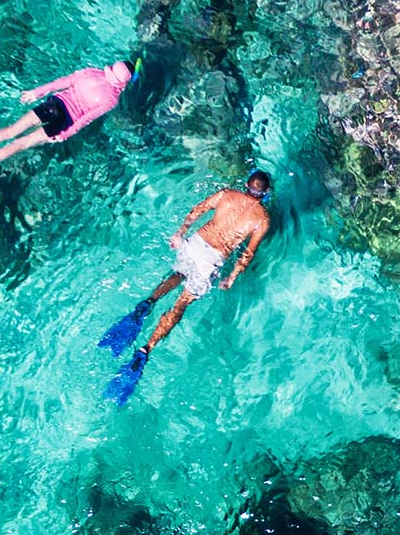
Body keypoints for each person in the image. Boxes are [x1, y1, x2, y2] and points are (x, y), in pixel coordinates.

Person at [100, 170, 274, 406]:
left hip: (195, 244)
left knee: (178, 274)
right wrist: (231, 277)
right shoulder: (262, 219)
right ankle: (146, 349)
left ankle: (147, 304)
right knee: (181, 304)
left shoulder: (226, 194)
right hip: (212, 259)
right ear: (265, 192)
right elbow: (248, 254)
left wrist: (180, 233)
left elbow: (197, 211)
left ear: (246, 185)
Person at [0, 58, 139, 210]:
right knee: (19, 145)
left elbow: (63, 82)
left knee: (10, 131)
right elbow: (84, 120)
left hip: (52, 105)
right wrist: (64, 135)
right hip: (64, 121)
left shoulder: (91, 72)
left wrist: (37, 92)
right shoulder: (111, 99)